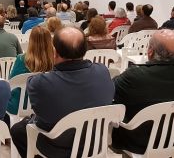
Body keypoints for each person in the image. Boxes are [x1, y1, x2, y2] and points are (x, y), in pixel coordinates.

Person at [10, 27, 115, 157]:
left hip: (58, 149)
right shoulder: (103, 72)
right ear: (85, 50)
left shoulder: (40, 83)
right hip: (94, 143)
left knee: (18, 130)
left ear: (54, 52)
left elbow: (39, 111)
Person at [111, 29, 174, 154]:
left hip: (135, 141)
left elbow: (110, 92)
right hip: (173, 137)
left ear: (150, 52)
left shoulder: (135, 76)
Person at [7, 26, 54, 115]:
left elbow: (12, 83)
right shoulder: (56, 60)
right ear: (49, 41)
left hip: (19, 106)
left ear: (31, 40)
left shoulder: (21, 59)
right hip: (46, 106)